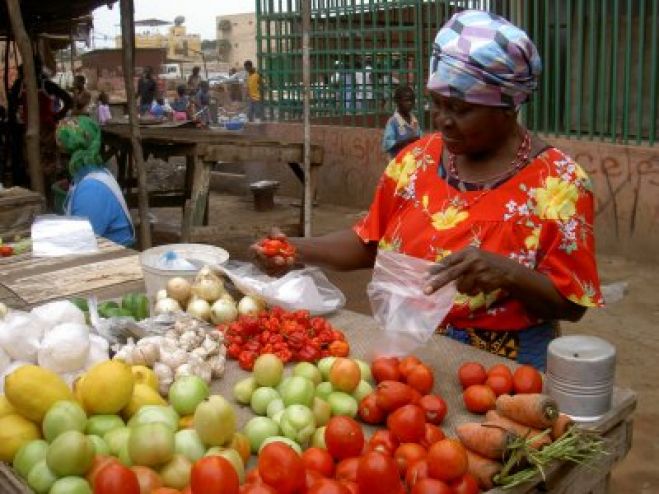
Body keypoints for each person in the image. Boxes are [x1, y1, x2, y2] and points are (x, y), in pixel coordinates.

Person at [252, 10, 603, 370]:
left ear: (507, 107)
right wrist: (296, 251)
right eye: (436, 102)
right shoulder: (415, 160)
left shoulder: (559, 183)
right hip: (408, 348)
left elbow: (572, 303)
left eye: (461, 108)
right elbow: (368, 242)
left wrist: (508, 273)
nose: (442, 119)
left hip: (504, 367)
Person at [56, 116, 134, 246]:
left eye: (63, 156)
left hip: (113, 260)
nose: (58, 164)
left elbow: (81, 243)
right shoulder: (94, 174)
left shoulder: (91, 189)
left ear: (72, 155)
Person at [8, 58, 72, 194]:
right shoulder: (22, 85)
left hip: (43, 130)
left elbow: (69, 100)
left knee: (41, 162)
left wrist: (56, 116)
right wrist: (56, 116)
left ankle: (46, 192)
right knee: (37, 162)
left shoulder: (43, 85)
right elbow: (69, 101)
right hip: (37, 129)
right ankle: (43, 192)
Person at [382, 86, 422, 159]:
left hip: (412, 161)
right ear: (397, 101)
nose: (410, 103)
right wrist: (405, 142)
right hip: (397, 164)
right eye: (406, 100)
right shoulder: (393, 122)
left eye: (412, 100)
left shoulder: (414, 121)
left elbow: (420, 138)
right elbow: (387, 144)